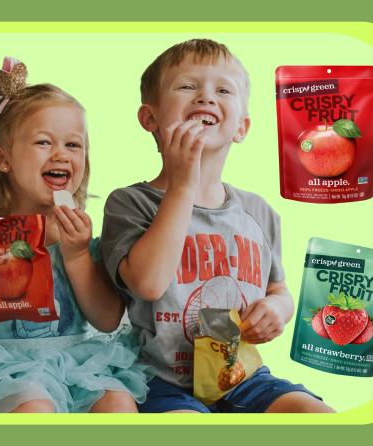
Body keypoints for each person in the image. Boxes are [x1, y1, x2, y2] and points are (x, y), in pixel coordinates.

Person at [100, 40, 335, 413]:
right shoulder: (130, 203)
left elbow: (279, 288)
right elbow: (147, 283)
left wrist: (277, 308)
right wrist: (182, 185)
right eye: (187, 87)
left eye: (222, 90)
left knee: (315, 415)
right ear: (150, 118)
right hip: (159, 380)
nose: (205, 97)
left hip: (243, 375)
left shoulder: (259, 212)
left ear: (241, 127)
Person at [0, 58, 150, 414]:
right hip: (4, 372)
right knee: (35, 406)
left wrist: (79, 256)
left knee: (119, 402)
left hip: (78, 363)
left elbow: (108, 320)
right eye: (44, 142)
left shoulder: (79, 233)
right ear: (2, 158)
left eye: (74, 145)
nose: (61, 154)